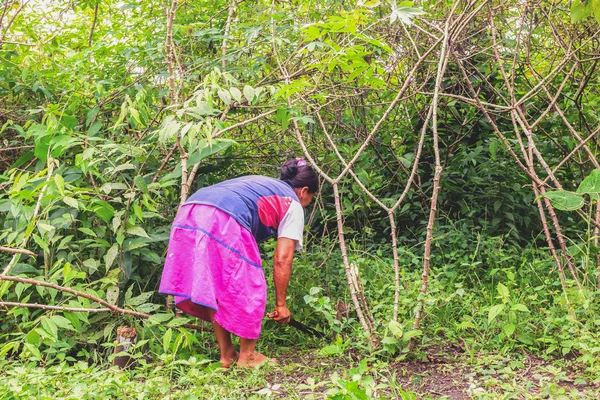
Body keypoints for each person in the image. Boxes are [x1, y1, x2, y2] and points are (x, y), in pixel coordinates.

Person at [159, 158, 318, 367]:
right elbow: (282, 259)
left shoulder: (263, 185)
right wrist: (281, 305)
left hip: (190, 212)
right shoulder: (293, 203)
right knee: (250, 285)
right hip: (221, 217)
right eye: (310, 199)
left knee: (214, 286)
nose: (307, 204)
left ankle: (227, 355)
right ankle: (248, 356)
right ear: (304, 191)